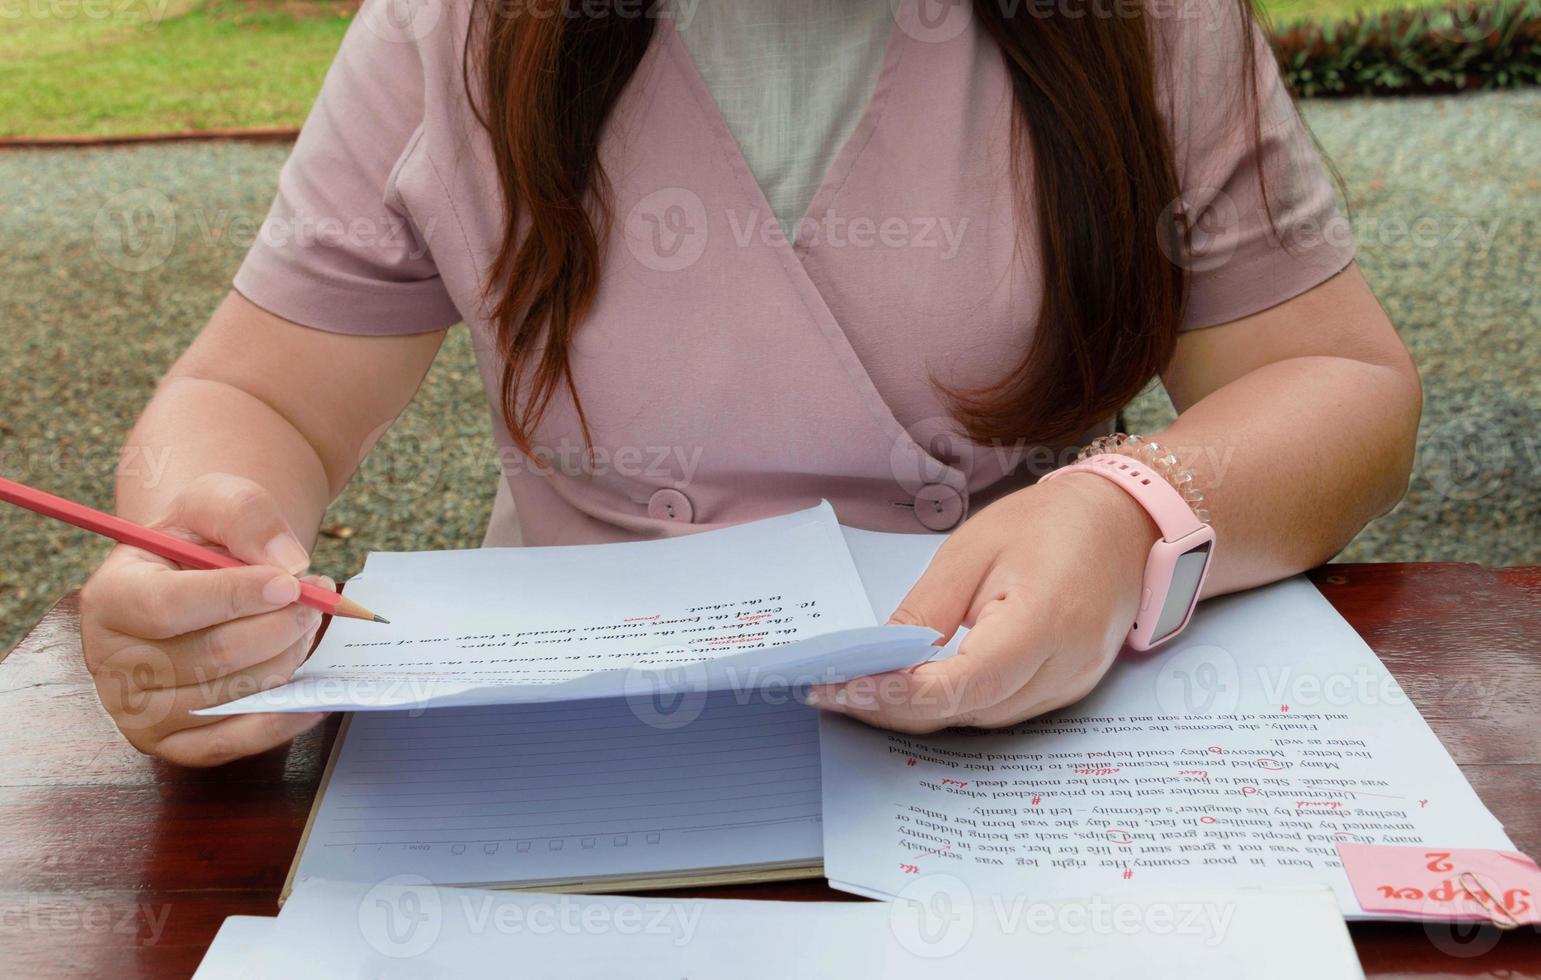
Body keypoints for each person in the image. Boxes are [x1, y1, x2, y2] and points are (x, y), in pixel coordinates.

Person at [80, 0, 1421, 765]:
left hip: (1029, 739)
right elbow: (260, 397)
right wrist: (204, 547)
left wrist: (1131, 510)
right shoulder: (458, 27)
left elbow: (1332, 379)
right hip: (572, 758)